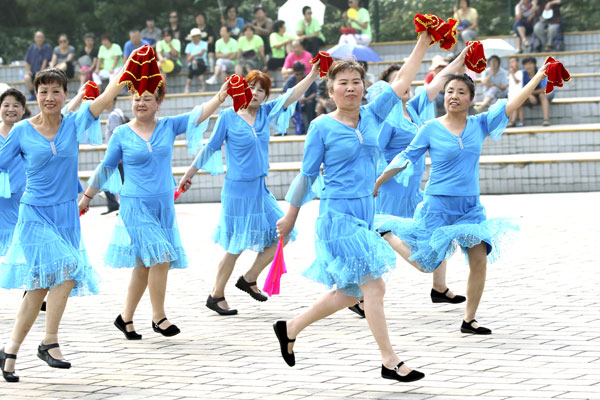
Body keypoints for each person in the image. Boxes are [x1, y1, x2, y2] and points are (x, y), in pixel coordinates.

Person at [274, 34, 435, 383]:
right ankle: (389, 360)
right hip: (337, 216)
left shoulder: (374, 115)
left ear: (365, 87)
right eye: (343, 83)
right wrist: (290, 215)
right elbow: (305, 176)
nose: (351, 88)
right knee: (374, 288)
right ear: (330, 90)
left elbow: (403, 80)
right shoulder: (321, 127)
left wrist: (423, 42)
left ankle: (291, 328)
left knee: (349, 293)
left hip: (365, 213)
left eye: (356, 82)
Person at [373, 61, 551, 335]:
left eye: (460, 92)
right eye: (449, 91)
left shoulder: (480, 124)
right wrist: (379, 180)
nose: (453, 96)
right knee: (425, 264)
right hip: (437, 206)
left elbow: (512, 103)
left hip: (470, 207)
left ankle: (469, 320)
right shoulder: (430, 128)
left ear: (471, 98)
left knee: (479, 259)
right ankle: (387, 233)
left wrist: (539, 75)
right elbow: (406, 157)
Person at [79, 66, 230, 341]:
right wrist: (87, 197)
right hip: (134, 206)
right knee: (160, 255)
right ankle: (158, 317)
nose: (140, 103)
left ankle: (124, 318)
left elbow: (197, 116)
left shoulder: (169, 126)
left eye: (147, 97)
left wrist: (220, 96)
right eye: (136, 97)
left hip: (163, 207)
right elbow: (106, 167)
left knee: (145, 264)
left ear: (158, 101)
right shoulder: (122, 134)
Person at [0, 67, 121, 382]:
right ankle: (49, 341)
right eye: (43, 91)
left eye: (56, 91)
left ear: (66, 95)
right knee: (68, 271)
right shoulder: (22, 131)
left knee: (39, 287)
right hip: (34, 216)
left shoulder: (74, 123)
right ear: (35, 95)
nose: (49, 97)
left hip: (66, 216)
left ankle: (9, 353)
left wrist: (128, 68)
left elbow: (108, 95)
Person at [177, 67, 320, 316]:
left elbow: (292, 95)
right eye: (251, 87)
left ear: (266, 95)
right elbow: (210, 148)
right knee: (235, 245)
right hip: (237, 191)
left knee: (284, 234)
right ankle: (216, 295)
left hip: (260, 189)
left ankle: (249, 277)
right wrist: (188, 175)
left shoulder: (265, 112)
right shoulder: (228, 116)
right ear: (242, 89)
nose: (255, 93)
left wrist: (314, 73)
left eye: (261, 90)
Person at [347, 48, 473, 318]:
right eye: (398, 82)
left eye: (406, 80)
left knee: (438, 231)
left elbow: (440, 81)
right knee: (376, 243)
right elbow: (371, 151)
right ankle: (355, 294)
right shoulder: (386, 121)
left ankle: (439, 288)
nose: (405, 85)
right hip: (390, 191)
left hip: (412, 191)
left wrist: (463, 56)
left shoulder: (414, 110)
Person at [0, 89, 26, 257]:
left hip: (23, 196)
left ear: (23, 110)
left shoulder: (28, 133)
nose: (11, 109)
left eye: (16, 106)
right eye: (6, 105)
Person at [101, 95, 127, 215]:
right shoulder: (117, 112)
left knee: (110, 178)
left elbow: (116, 135)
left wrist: (117, 154)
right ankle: (114, 204)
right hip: (116, 154)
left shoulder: (113, 115)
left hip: (116, 155)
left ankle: (117, 205)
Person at [283, 62, 317, 135]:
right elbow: (285, 95)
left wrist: (306, 99)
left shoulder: (309, 78)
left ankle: (310, 128)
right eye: (297, 74)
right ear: (294, 73)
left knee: (310, 103)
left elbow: (314, 93)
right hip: (294, 103)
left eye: (301, 74)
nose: (299, 76)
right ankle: (283, 131)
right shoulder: (290, 81)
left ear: (304, 72)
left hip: (307, 102)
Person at [518, 56, 554, 126]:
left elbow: (545, 89)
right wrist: (529, 95)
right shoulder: (522, 74)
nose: (528, 66)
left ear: (534, 64)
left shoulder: (541, 73)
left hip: (545, 94)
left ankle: (546, 120)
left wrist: (530, 93)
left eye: (530, 64)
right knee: (518, 98)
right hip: (529, 95)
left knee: (542, 95)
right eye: (526, 64)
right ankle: (521, 122)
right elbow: (519, 89)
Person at [23, 31, 52, 100]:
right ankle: (34, 95)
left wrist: (41, 71)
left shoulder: (47, 47)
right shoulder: (31, 48)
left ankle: (39, 94)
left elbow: (45, 60)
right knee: (26, 77)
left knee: (38, 76)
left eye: (41, 37)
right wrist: (28, 71)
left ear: (44, 38)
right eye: (38, 37)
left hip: (44, 71)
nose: (39, 39)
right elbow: (26, 61)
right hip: (33, 71)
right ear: (34, 38)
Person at [184, 28, 208, 93]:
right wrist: (193, 58)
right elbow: (188, 59)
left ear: (199, 36)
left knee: (194, 68)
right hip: (192, 64)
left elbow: (201, 53)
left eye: (197, 35)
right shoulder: (189, 45)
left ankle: (187, 87)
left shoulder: (204, 43)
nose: (195, 37)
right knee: (194, 68)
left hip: (202, 63)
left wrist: (193, 56)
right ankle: (203, 86)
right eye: (194, 36)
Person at [507, 57, 525, 127]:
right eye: (510, 63)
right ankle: (512, 121)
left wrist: (512, 74)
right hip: (511, 94)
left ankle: (519, 121)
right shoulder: (511, 74)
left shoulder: (520, 72)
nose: (511, 64)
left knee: (519, 108)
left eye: (513, 62)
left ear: (518, 63)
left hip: (518, 93)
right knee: (513, 108)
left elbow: (517, 81)